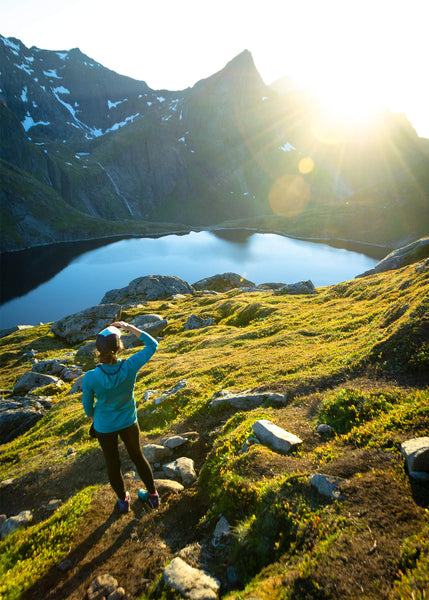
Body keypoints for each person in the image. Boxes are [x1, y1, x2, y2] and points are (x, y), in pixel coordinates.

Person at [82, 321, 160, 513]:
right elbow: (153, 345)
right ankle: (153, 497)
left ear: (98, 349)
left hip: (104, 427)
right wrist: (128, 327)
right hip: (129, 422)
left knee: (113, 463)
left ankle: (123, 502)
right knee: (138, 457)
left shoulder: (90, 377)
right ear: (119, 347)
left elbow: (87, 408)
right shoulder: (130, 366)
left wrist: (94, 417)